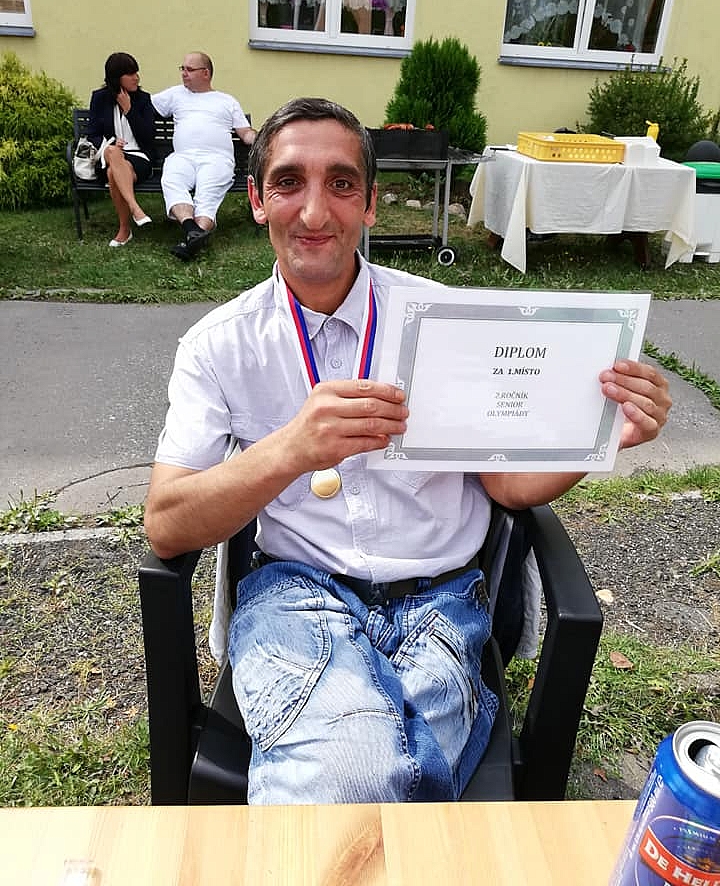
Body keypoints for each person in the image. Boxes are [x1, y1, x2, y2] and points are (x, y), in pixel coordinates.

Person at [144, 97, 671, 805]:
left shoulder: (444, 320)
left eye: (341, 184)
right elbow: (167, 524)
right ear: (257, 200)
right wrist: (292, 448)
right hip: (298, 598)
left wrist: (602, 434)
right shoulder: (219, 346)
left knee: (364, 779)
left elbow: (507, 488)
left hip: (442, 604)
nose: (314, 211)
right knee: (375, 779)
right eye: (289, 182)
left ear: (369, 203)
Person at [151, 52, 256, 261]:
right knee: (172, 179)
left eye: (189, 69)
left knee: (207, 195)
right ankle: (193, 232)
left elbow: (245, 132)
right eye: (182, 68)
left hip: (217, 159)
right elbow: (142, 106)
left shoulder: (226, 101)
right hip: (183, 157)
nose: (184, 73)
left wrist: (261, 138)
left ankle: (191, 238)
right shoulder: (175, 94)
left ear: (205, 73)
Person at [87, 52, 155, 248]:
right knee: (113, 152)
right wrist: (111, 142)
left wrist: (129, 110)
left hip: (138, 157)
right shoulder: (99, 98)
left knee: (112, 173)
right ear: (116, 77)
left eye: (136, 73)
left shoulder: (143, 100)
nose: (136, 78)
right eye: (130, 74)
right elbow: (93, 134)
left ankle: (125, 230)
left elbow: (148, 137)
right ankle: (135, 209)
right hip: (108, 154)